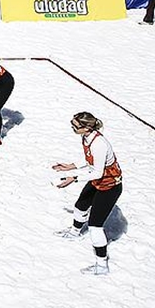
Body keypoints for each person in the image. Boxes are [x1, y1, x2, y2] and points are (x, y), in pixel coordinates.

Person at [52, 112, 122, 276]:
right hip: (98, 180)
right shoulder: (87, 137)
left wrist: (73, 178)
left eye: (75, 126)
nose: (73, 128)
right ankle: (75, 232)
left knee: (95, 227)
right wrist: (70, 166)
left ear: (86, 127)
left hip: (109, 185)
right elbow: (90, 159)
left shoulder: (99, 144)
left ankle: (102, 265)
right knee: (80, 206)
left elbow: (97, 172)